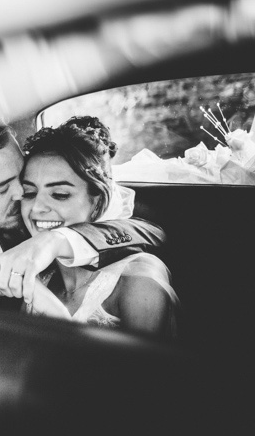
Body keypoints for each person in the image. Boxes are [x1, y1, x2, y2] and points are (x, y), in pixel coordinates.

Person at [0, 122, 165, 311]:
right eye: (2, 187)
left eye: (21, 179)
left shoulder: (23, 223)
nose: (22, 195)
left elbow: (147, 232)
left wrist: (55, 241)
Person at [11, 116, 177, 335]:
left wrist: (51, 308)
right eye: (29, 193)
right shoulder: (41, 276)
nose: (36, 208)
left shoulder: (139, 282)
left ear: (97, 200)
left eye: (60, 194)